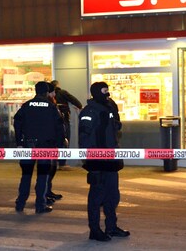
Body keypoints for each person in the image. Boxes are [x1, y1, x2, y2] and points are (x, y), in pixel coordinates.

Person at [79, 82, 130, 242]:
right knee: (96, 197)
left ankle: (111, 227)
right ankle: (94, 230)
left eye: (108, 90)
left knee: (113, 195)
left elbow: (115, 128)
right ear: (95, 92)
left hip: (111, 159)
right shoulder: (89, 111)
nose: (107, 93)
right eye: (104, 90)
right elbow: (84, 137)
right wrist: (89, 159)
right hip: (97, 161)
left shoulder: (109, 107)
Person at [13, 81, 64, 214]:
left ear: (35, 91)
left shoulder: (27, 105)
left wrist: (19, 141)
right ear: (47, 92)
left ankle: (20, 203)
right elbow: (60, 127)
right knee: (42, 176)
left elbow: (17, 122)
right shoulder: (51, 107)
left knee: (26, 175)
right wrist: (59, 145)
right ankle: (40, 205)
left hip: (28, 145)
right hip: (46, 146)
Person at [51, 80, 83, 170]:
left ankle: (53, 162)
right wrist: (79, 107)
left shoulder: (48, 96)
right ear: (57, 85)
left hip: (52, 122)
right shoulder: (62, 93)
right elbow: (75, 100)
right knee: (64, 140)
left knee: (52, 142)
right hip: (63, 119)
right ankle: (62, 163)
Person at [45, 82, 64, 203]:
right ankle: (44, 194)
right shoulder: (50, 105)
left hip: (49, 141)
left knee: (51, 168)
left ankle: (47, 191)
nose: (54, 94)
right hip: (49, 142)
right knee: (48, 169)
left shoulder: (51, 104)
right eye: (53, 92)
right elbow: (57, 124)